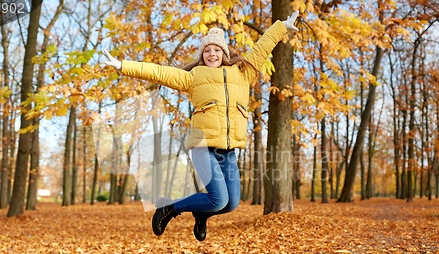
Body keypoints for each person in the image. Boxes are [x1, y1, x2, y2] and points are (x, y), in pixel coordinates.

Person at [103, 11, 299, 241]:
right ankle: (169, 207)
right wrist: (122, 65)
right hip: (203, 146)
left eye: (216, 49)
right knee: (218, 199)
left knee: (231, 203)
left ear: (224, 53)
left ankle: (201, 214)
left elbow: (262, 46)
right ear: (202, 55)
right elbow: (159, 72)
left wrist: (281, 26)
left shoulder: (243, 72)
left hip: (227, 151)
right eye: (207, 50)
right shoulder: (194, 76)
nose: (212, 54)